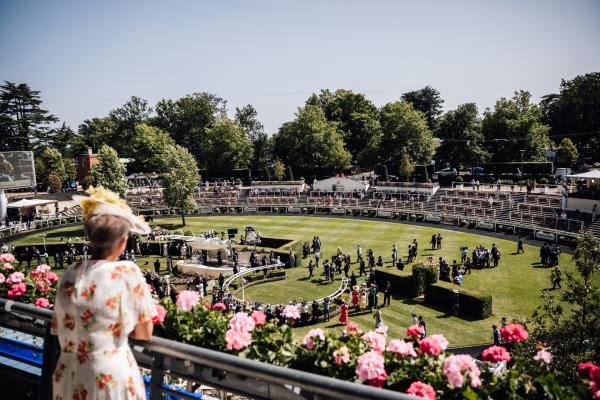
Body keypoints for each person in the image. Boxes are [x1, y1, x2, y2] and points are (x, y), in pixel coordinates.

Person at [52, 187, 156, 400]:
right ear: (122, 241)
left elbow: (59, 327)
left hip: (68, 372)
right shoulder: (126, 272)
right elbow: (144, 332)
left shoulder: (70, 272)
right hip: (108, 374)